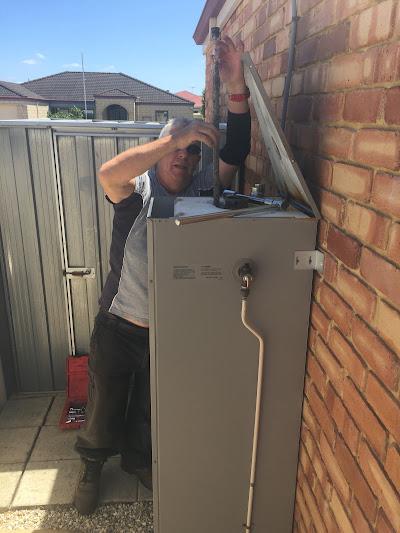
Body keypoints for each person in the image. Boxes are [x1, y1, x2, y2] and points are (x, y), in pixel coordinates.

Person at [73, 35, 251, 515]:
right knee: (104, 403)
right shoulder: (138, 189)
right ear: (162, 147)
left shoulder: (202, 189)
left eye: (192, 152)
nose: (183, 158)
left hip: (169, 328)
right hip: (120, 323)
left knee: (152, 406)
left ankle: (138, 462)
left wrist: (236, 83)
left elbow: (236, 149)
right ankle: (91, 467)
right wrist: (175, 135)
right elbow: (107, 174)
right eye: (177, 148)